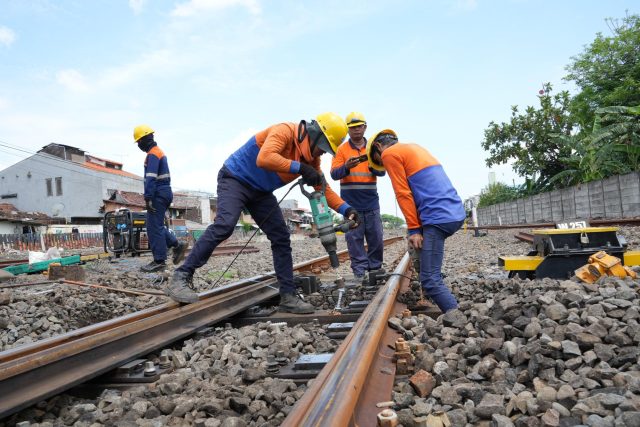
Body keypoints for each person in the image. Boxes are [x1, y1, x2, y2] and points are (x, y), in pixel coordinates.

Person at [165, 113, 359, 313]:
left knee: (281, 237)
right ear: (315, 135)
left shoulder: (312, 160)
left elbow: (322, 188)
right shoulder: (285, 131)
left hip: (260, 192)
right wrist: (300, 167)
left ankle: (288, 296)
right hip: (235, 178)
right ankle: (181, 275)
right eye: (323, 147)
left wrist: (347, 209)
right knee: (225, 224)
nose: (323, 154)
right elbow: (264, 158)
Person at [366, 129, 465, 313]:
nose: (384, 166)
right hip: (453, 213)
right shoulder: (413, 148)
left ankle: (458, 317)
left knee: (430, 279)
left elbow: (403, 193)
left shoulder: (389, 153)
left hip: (437, 217)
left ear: (378, 147)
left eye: (380, 162)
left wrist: (414, 230)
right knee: (430, 272)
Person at [330, 112, 385, 281]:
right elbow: (334, 174)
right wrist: (346, 167)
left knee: (376, 237)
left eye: (359, 126)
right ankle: (360, 273)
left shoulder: (373, 147)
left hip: (371, 202)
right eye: (352, 128)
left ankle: (375, 269)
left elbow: (382, 171)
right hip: (351, 205)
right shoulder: (341, 150)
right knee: (354, 240)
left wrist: (371, 165)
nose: (356, 130)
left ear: (365, 127)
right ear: (348, 130)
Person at [133, 125, 187, 272]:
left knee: (153, 227)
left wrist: (148, 197)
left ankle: (159, 261)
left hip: (158, 193)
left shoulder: (153, 154)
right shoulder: (158, 152)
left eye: (139, 142)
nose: (138, 145)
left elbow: (150, 177)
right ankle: (177, 245)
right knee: (157, 225)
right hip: (164, 192)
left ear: (145, 139)